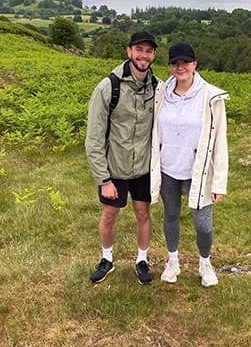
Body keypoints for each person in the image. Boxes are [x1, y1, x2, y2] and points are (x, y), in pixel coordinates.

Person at [85, 32, 163, 284]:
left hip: (143, 168)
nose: (144, 55)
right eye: (139, 49)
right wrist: (103, 178)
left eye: (149, 51)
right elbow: (94, 139)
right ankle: (107, 259)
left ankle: (142, 260)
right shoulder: (108, 87)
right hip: (115, 169)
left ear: (154, 55)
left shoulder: (158, 88)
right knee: (109, 214)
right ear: (128, 51)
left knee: (143, 213)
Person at [149, 42, 229, 287]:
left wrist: (219, 182)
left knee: (202, 224)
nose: (180, 67)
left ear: (195, 64)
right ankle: (172, 261)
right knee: (170, 215)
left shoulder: (211, 97)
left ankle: (205, 263)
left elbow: (220, 141)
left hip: (199, 171)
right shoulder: (161, 93)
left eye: (185, 62)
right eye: (175, 63)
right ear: (170, 66)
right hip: (168, 168)